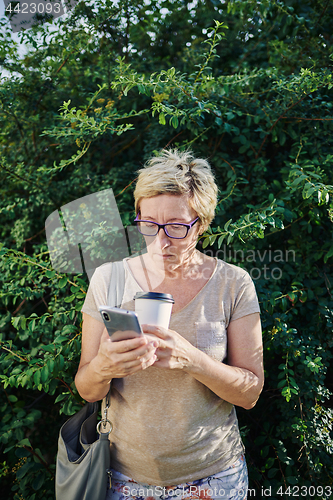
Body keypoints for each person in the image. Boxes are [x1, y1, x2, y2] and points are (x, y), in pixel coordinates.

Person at [75, 149, 264, 500]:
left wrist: (192, 359)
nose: (160, 242)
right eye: (148, 225)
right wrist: (103, 366)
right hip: (123, 480)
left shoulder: (233, 283)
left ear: (202, 222)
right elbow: (87, 389)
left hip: (214, 478)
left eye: (176, 227)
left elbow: (250, 393)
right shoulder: (109, 279)